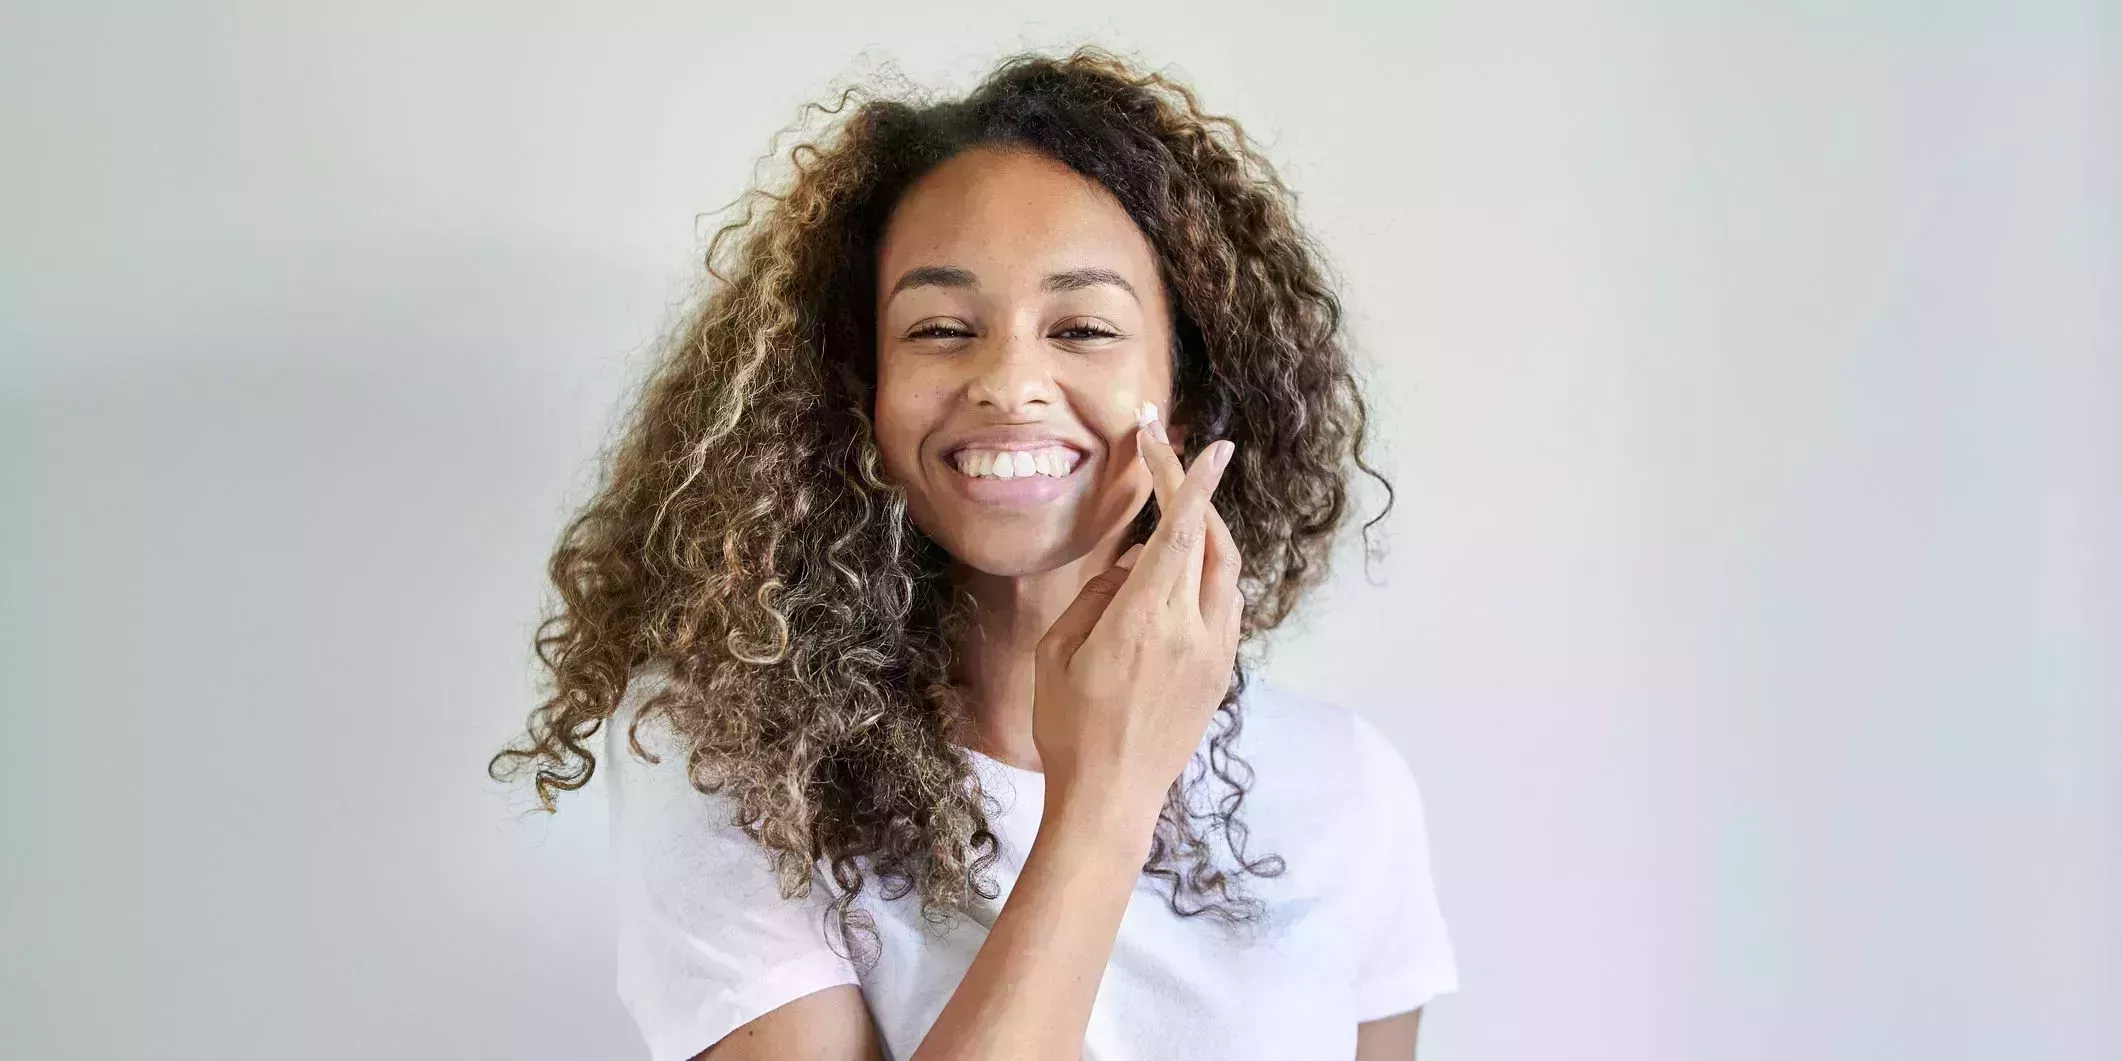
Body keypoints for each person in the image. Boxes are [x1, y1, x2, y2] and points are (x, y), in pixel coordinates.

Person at [491, 45, 1457, 1061]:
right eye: (942, 327)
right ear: (853, 391)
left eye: (1081, 326)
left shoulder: (1343, 784)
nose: (1008, 381)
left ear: (1191, 396)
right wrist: (1105, 797)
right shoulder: (732, 758)